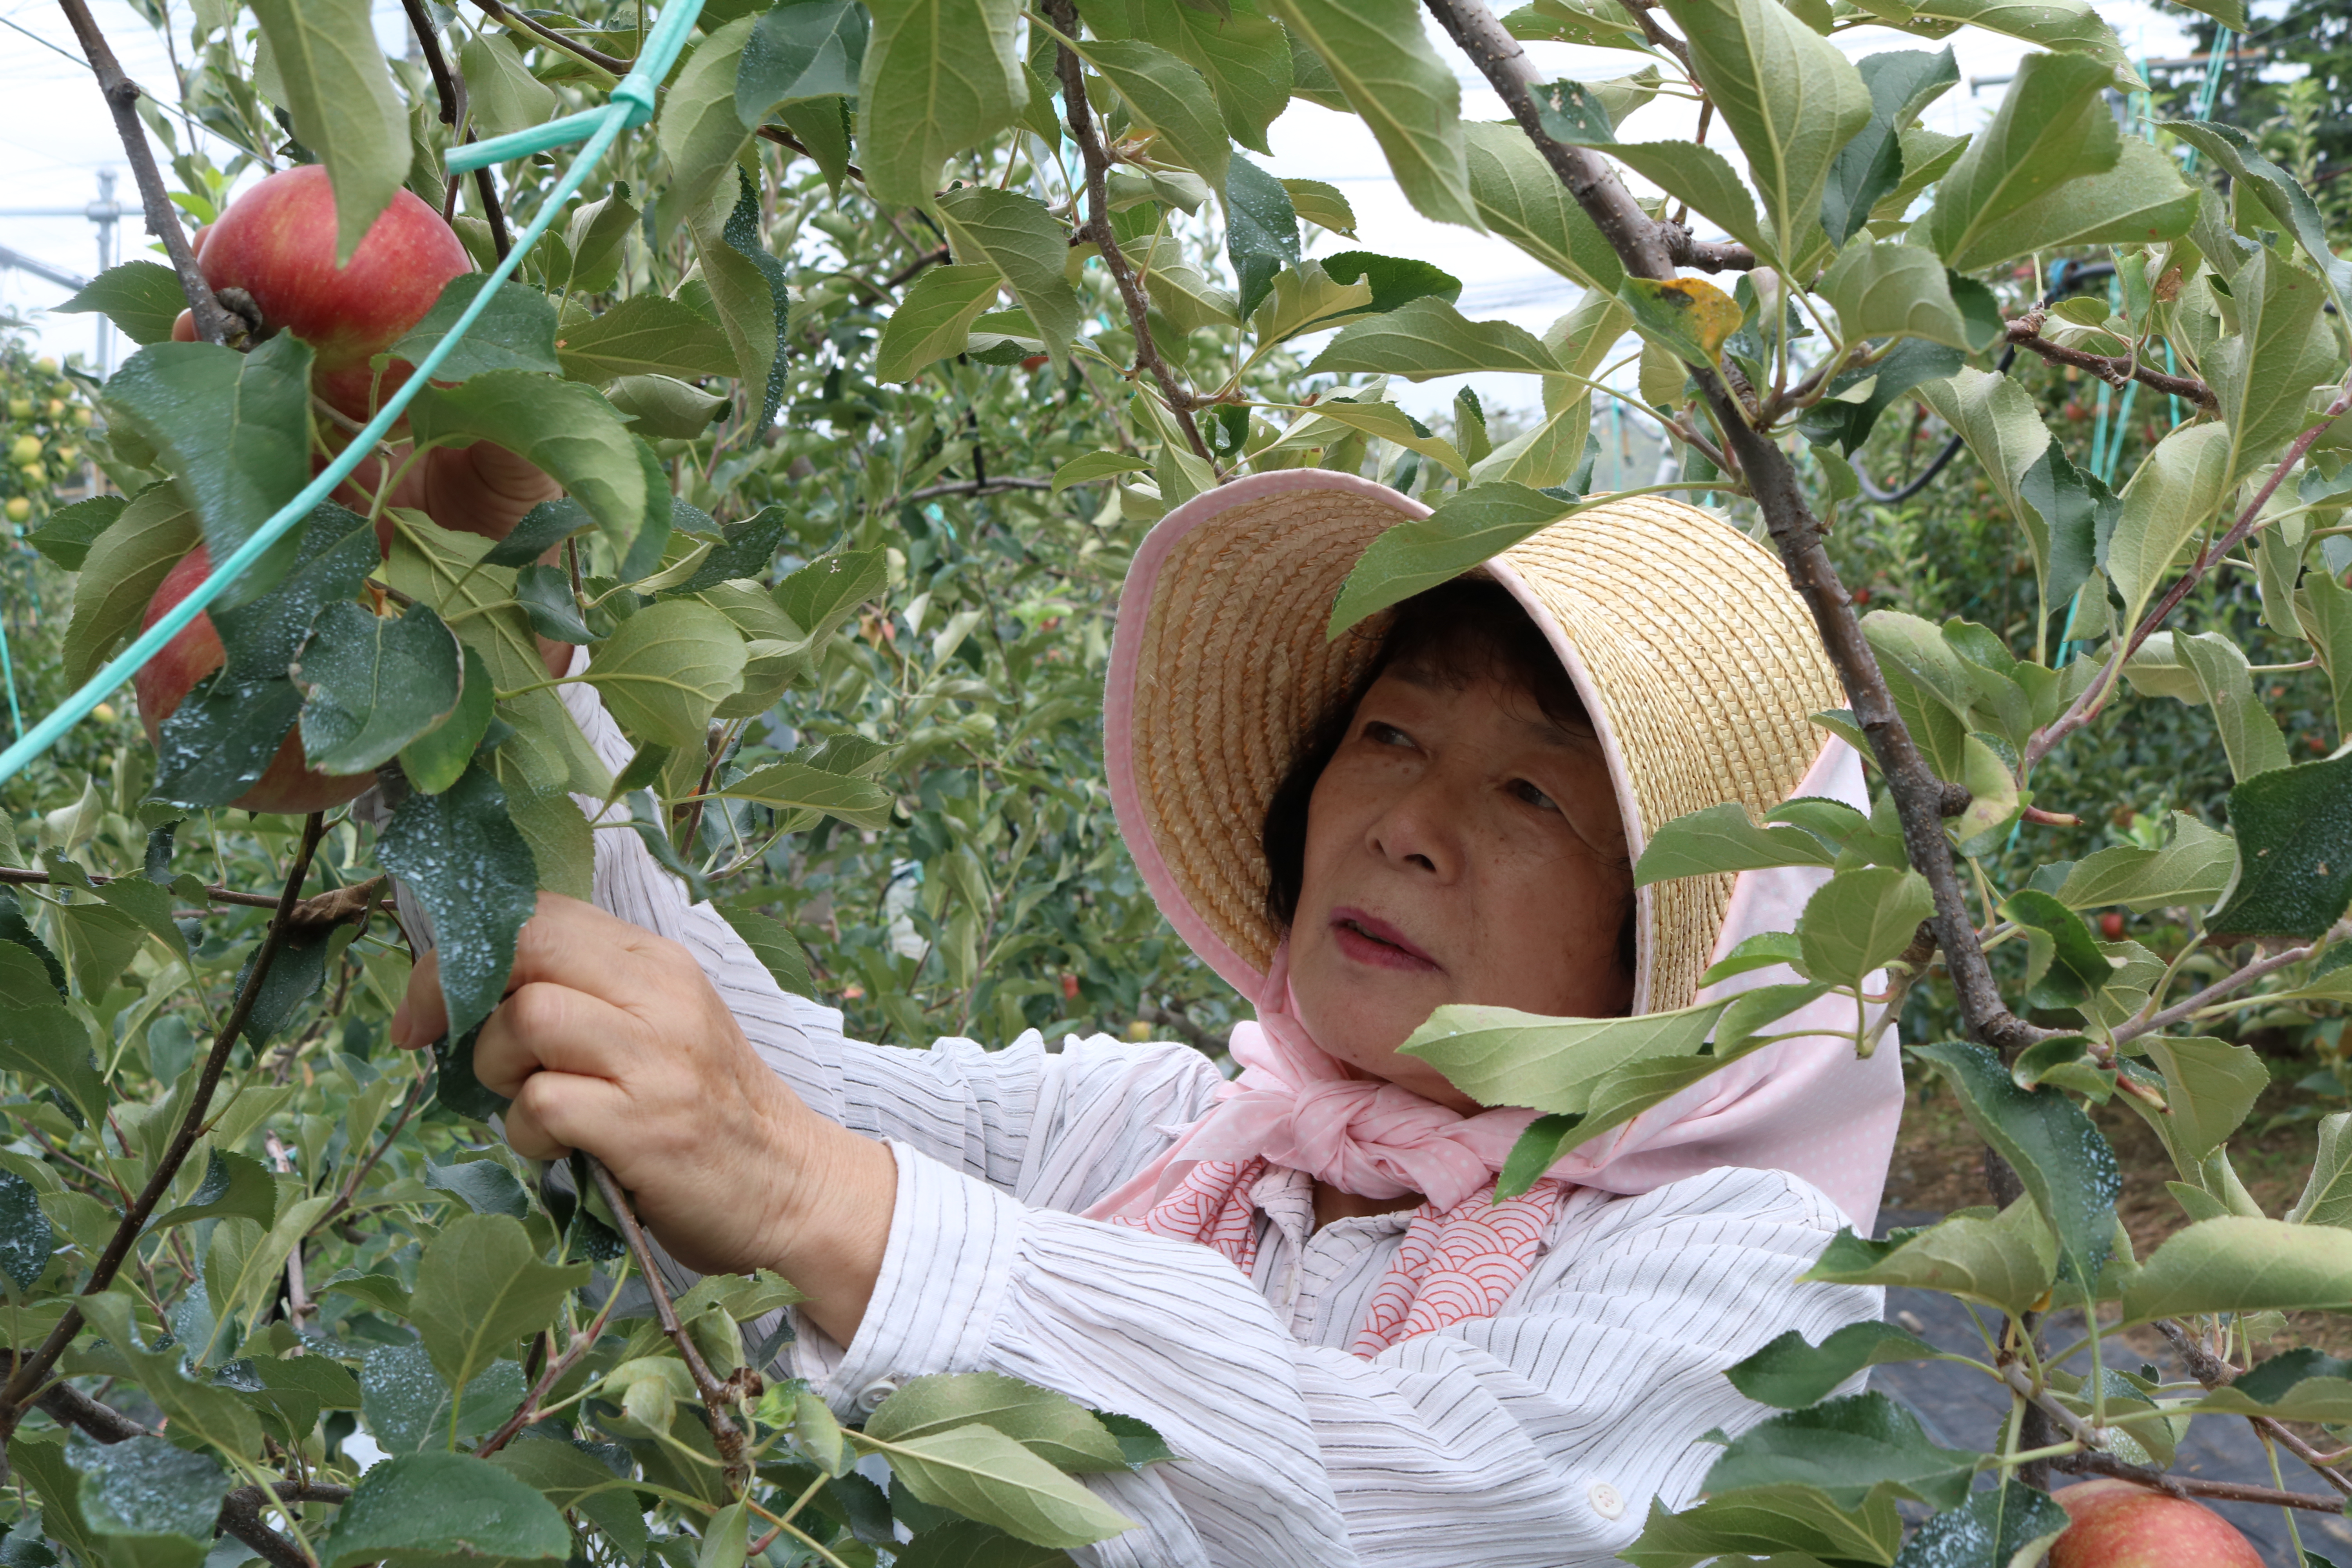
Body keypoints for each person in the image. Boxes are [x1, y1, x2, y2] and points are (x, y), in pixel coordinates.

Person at [389, 467, 1907, 1566]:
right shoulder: (1162, 1131)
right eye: (1388, 732)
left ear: (1698, 934)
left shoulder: (1747, 1276)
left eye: (1530, 790)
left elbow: (1398, 1504)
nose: (1407, 824)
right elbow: (767, 1076)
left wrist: (814, 1196)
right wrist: (473, 639)